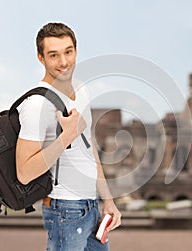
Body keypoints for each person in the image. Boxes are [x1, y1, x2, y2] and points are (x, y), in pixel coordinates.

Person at [15, 22, 121, 250]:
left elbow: (88, 148)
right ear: (41, 58)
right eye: (54, 55)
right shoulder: (36, 105)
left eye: (68, 52)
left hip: (91, 206)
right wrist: (66, 137)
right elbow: (24, 173)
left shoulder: (82, 90)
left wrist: (108, 200)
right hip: (64, 210)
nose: (63, 62)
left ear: (76, 51)